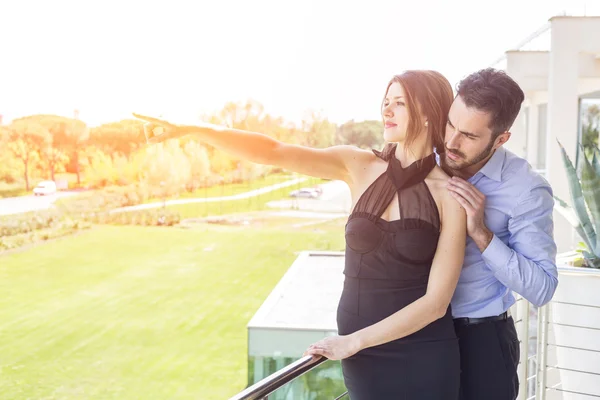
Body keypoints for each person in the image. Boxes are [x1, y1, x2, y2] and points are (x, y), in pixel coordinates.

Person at [134, 70, 467, 399]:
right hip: (363, 361)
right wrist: (193, 130)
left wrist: (354, 341)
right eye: (386, 102)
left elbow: (436, 304)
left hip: (422, 355)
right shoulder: (357, 165)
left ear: (427, 114)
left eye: (400, 103)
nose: (387, 111)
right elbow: (273, 151)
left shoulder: (450, 194)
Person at [441, 68, 558, 400]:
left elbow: (542, 288)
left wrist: (481, 233)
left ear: (501, 138)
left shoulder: (526, 189)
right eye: (450, 124)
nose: (451, 141)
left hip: (481, 344)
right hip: (420, 337)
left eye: (469, 135)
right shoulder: (430, 161)